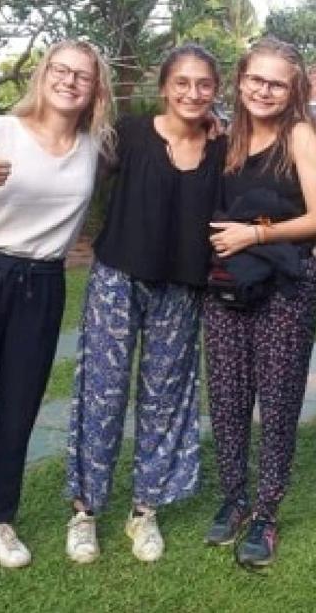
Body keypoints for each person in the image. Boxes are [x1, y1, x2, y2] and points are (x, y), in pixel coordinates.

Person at [0, 40, 112, 595]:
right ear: (43, 74)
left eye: (82, 75)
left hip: (42, 283)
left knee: (18, 412)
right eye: (60, 70)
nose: (69, 81)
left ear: (95, 88)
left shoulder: (94, 146)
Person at [64, 44, 227, 565]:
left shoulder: (223, 147)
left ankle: (145, 510)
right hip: (117, 279)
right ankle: (85, 512)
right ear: (164, 86)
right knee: (102, 394)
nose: (192, 93)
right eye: (182, 82)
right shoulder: (130, 135)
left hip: (181, 290)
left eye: (204, 84)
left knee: (166, 400)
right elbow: (72, 167)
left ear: (215, 91)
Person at [203, 37, 316, 567]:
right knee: (228, 400)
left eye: (277, 82)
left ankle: (266, 514)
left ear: (294, 89)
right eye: (256, 78)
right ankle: (233, 499)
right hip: (229, 286)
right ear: (241, 80)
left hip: (285, 288)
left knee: (277, 404)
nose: (264, 89)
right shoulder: (229, 138)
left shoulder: (301, 136)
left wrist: (255, 236)